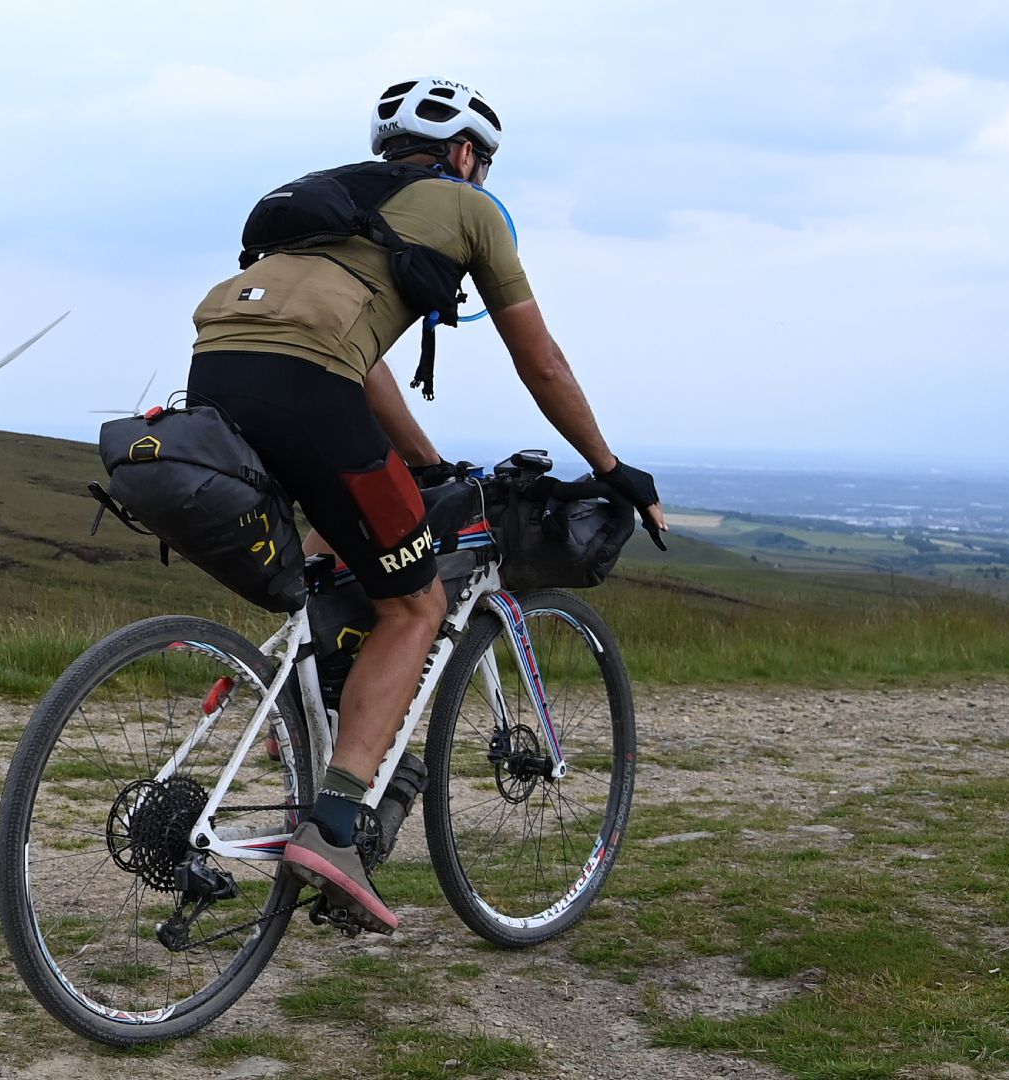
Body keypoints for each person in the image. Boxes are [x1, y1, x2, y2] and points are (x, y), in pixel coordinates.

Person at [186, 76, 667, 936]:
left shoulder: (331, 204)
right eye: (478, 161)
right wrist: (612, 464)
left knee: (339, 567)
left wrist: (425, 461)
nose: (476, 173)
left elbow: (360, 358)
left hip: (215, 371)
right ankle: (333, 829)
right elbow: (541, 361)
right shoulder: (468, 207)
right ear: (464, 155)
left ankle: (319, 731)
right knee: (417, 602)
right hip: (309, 386)